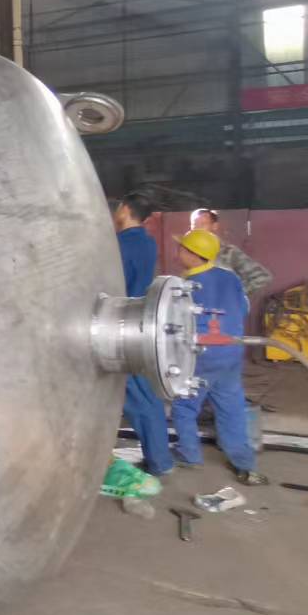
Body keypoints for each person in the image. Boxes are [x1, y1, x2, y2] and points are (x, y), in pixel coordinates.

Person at [168, 227, 267, 484]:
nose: (177, 252)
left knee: (184, 405)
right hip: (232, 352)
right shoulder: (230, 277)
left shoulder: (184, 286)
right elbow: (242, 308)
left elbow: (173, 325)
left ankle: (189, 454)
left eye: (181, 248)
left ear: (193, 254)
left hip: (201, 355)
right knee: (231, 408)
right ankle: (244, 463)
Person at [112, 192, 172, 476]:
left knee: (140, 398)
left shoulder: (119, 245)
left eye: (117, 209)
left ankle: (160, 462)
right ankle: (160, 459)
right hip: (138, 321)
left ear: (124, 210)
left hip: (119, 326)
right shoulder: (147, 242)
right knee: (144, 396)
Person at [190, 208, 274, 300]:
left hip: (223, 307)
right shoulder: (188, 252)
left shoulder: (228, 252)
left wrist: (233, 293)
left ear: (214, 226)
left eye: (202, 224)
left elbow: (262, 277)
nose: (197, 229)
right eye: (194, 225)